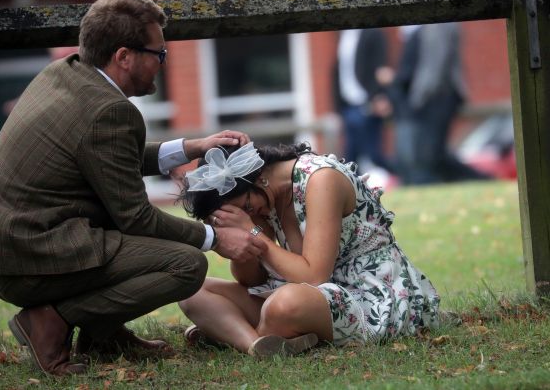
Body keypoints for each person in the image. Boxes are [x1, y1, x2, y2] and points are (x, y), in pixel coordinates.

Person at [0, 0, 267, 376]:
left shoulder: (64, 73)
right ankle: (50, 321)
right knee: (184, 265)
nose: (162, 65)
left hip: (6, 246)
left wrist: (192, 147)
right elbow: (136, 218)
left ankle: (102, 334)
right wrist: (216, 239)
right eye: (159, 54)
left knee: (129, 238)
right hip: (29, 259)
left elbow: (106, 157)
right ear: (123, 56)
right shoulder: (111, 111)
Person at [177, 142, 440, 356]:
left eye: (246, 206)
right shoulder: (264, 199)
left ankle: (230, 333)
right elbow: (251, 279)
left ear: (257, 178)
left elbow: (314, 276)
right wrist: (240, 241)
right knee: (191, 289)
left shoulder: (321, 179)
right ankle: (255, 345)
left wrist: (253, 231)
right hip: (309, 296)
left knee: (283, 305)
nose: (250, 213)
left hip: (370, 294)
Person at [389, 23, 490, 184]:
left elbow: (436, 66)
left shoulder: (439, 25)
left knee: (432, 153)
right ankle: (480, 180)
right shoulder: (423, 29)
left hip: (440, 96)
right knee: (433, 153)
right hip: (432, 98)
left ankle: (482, 179)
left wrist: (419, 99)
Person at [334, 27, 394, 174]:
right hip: (348, 106)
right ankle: (355, 193)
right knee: (350, 158)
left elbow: (381, 68)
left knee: (374, 155)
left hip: (367, 103)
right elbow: (339, 72)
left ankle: (403, 177)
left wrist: (378, 95)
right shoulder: (343, 35)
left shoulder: (373, 33)